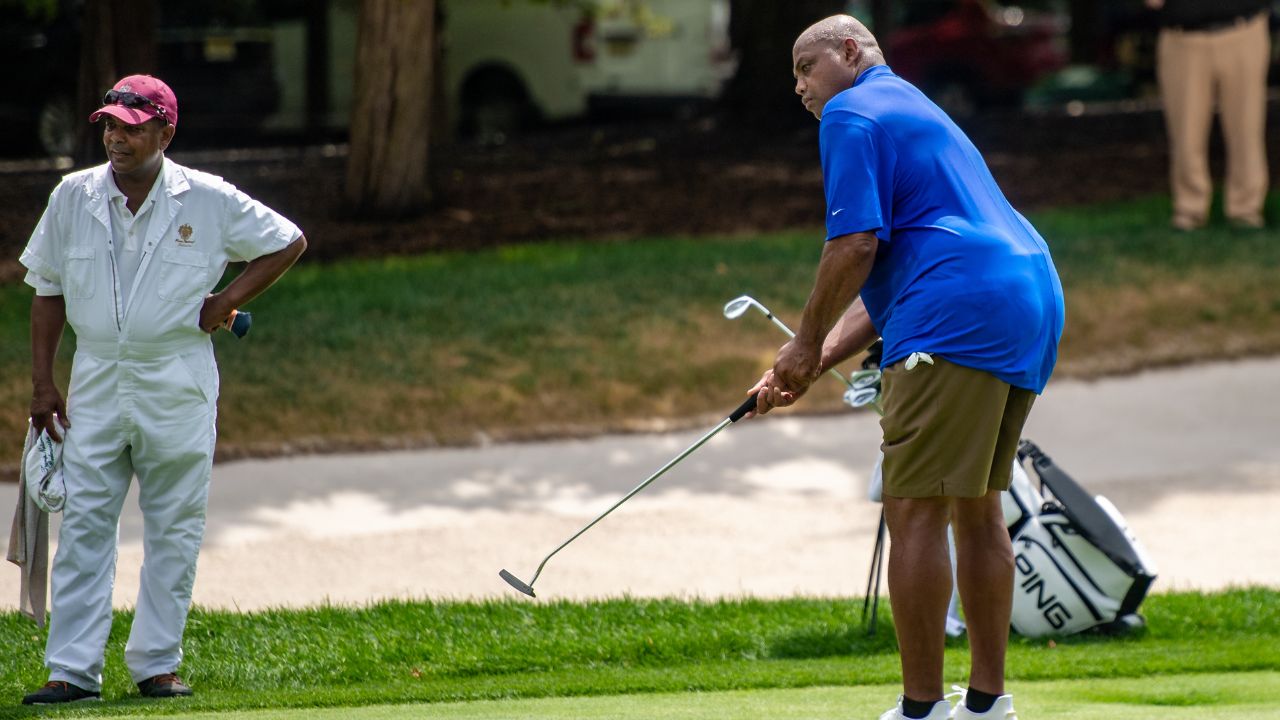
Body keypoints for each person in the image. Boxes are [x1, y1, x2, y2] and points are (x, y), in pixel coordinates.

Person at [748, 16, 1064, 720]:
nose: (800, 86)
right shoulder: (912, 104)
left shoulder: (852, 111)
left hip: (960, 308)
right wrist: (816, 357)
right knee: (977, 505)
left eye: (807, 66)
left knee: (914, 508)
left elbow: (854, 245)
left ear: (850, 53)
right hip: (1028, 296)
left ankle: (921, 710)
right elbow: (906, 265)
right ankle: (987, 704)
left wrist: (802, 343)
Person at [18, 75, 307, 705]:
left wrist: (225, 301)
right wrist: (43, 384)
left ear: (166, 131)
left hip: (176, 376)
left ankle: (156, 664)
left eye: (132, 125)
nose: (116, 137)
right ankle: (71, 671)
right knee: (87, 522)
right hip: (95, 376)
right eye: (109, 125)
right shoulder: (73, 196)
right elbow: (46, 289)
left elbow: (287, 240)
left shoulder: (206, 198)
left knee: (174, 523)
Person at [1145, 0, 1270, 230]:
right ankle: (1190, 209)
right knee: (1185, 133)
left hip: (1244, 28)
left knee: (1247, 130)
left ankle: (1246, 209)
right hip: (1182, 37)